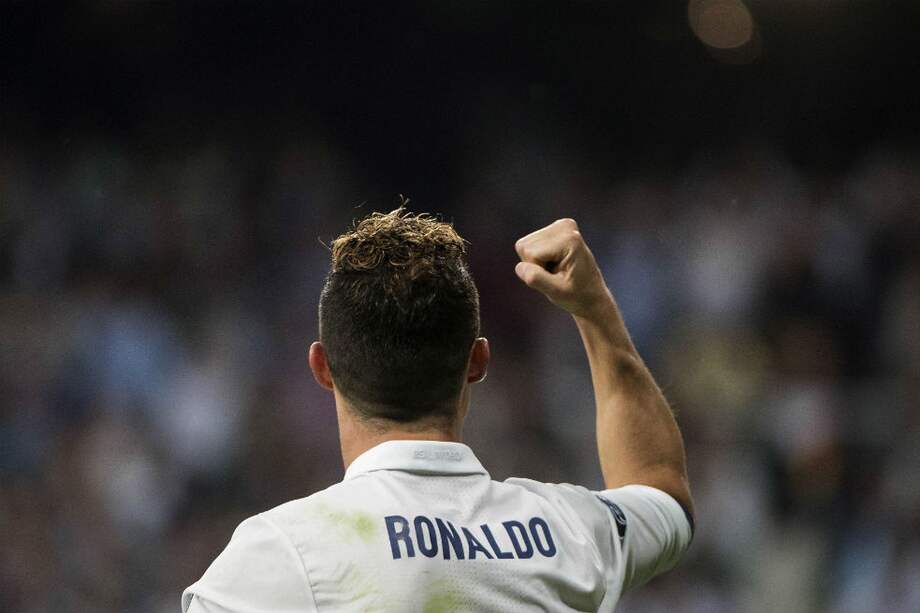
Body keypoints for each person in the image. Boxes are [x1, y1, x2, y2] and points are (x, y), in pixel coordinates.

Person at [182, 209, 694, 612]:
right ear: (478, 362)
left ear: (322, 367)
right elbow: (661, 488)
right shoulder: (569, 531)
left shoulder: (278, 556)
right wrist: (594, 307)